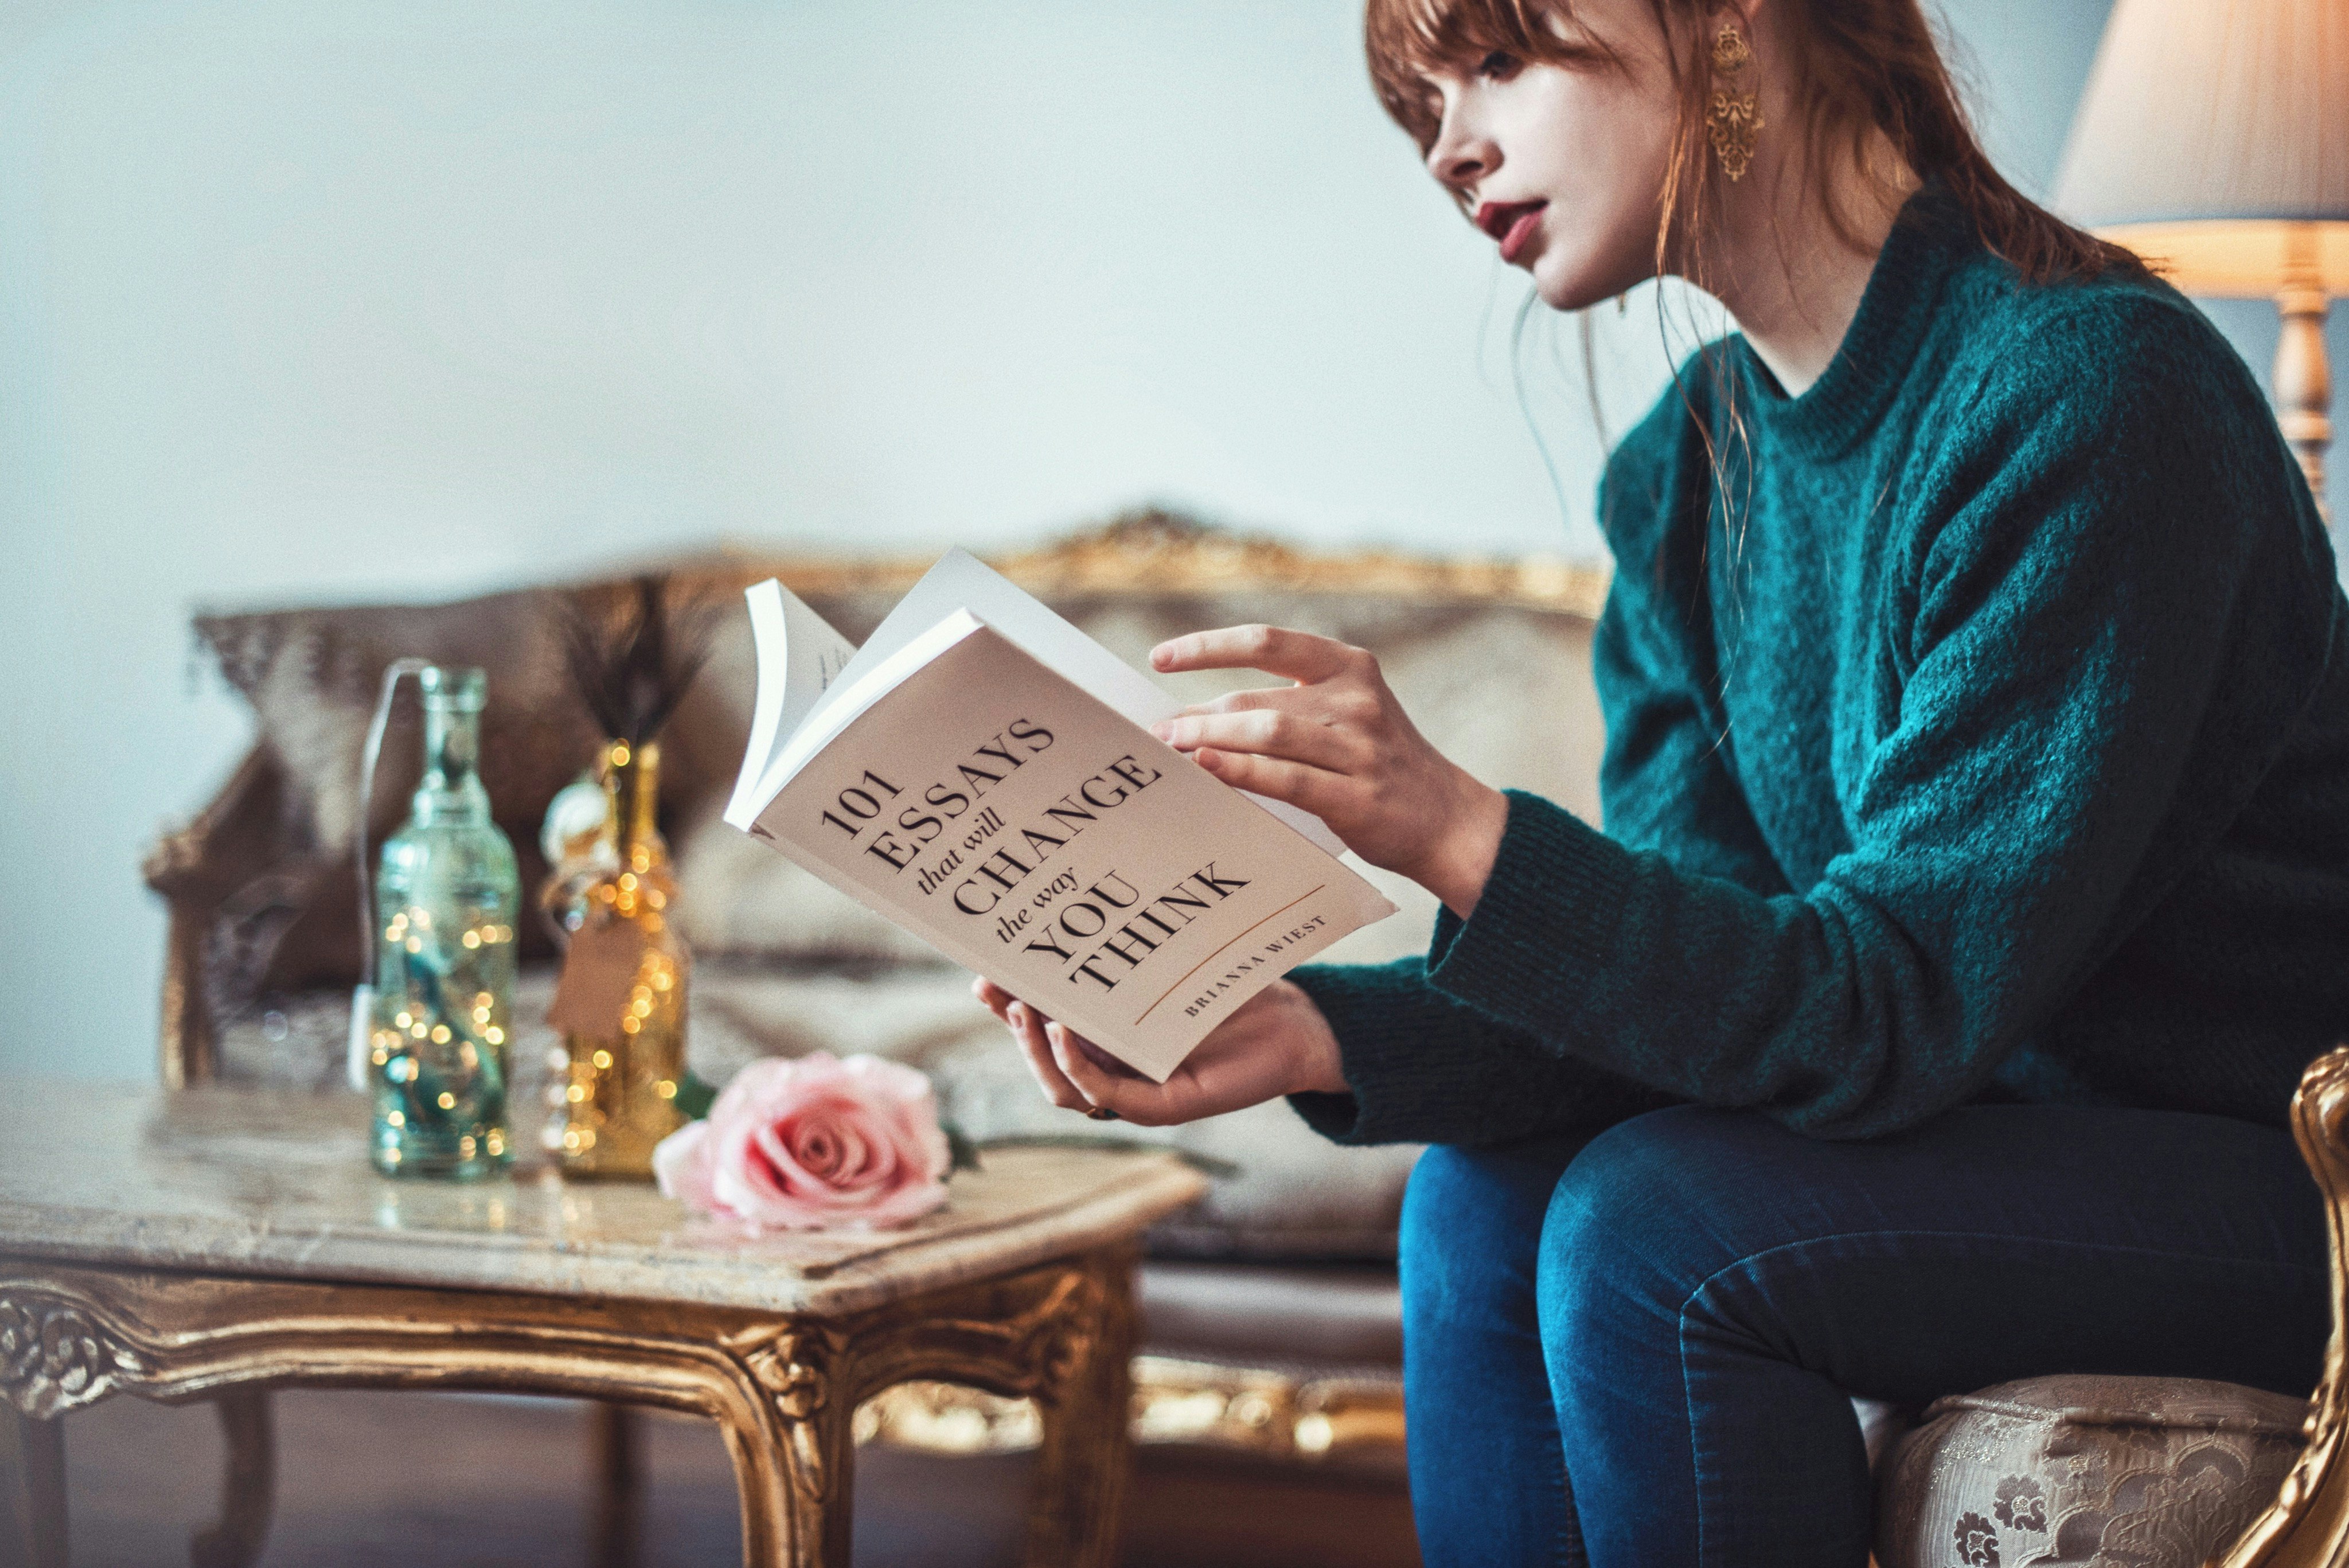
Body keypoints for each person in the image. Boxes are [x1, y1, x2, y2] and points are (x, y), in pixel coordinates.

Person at [974, 1, 2349, 1563]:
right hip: (1976, 1136)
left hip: (2282, 1179)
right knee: (1479, 1207)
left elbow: (1886, 1005)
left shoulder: (2094, 395)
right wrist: (1311, 1027)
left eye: (1497, 61)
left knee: (1657, 1229)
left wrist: (1453, 826)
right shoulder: (1687, 476)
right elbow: (1694, 992)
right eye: (1421, 105)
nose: (1449, 149)